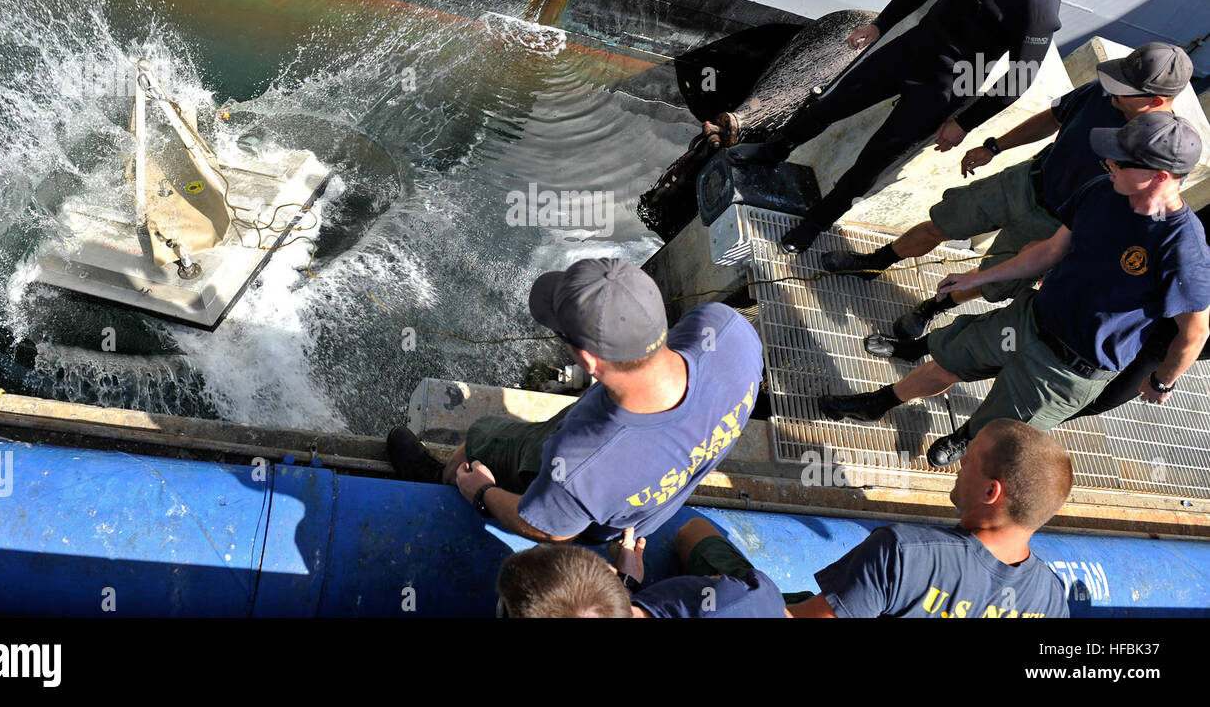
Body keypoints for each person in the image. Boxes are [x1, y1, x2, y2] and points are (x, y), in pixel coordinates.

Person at [819, 112, 1210, 467]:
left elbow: (1195, 333)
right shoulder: (1102, 189)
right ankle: (879, 403)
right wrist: (978, 278)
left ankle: (962, 438)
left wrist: (1162, 382)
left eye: (1120, 161)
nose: (1107, 163)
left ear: (1160, 176)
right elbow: (1051, 250)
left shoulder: (1183, 249)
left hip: (1066, 369)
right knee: (951, 357)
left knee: (1001, 429)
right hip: (1028, 319)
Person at [730, 0, 1061, 255]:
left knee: (874, 159)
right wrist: (880, 25)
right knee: (829, 105)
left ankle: (816, 222)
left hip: (948, 84)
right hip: (912, 49)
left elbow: (1019, 79)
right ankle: (774, 150)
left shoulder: (1038, 0)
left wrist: (964, 123)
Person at [820, 42, 1191, 341]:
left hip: (1058, 228)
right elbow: (1052, 119)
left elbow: (1137, 218)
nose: (1111, 92)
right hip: (1024, 182)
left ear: (1156, 101)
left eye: (1123, 90)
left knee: (995, 277)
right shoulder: (1101, 92)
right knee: (942, 222)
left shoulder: (1167, 150)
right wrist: (994, 146)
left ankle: (931, 308)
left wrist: (1065, 255)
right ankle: (873, 263)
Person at [386, 257, 764, 543]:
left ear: (587, 361)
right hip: (643, 509)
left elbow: (549, 530)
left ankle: (442, 479)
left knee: (485, 433)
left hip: (592, 520)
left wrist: (482, 493)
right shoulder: (728, 330)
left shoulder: (583, 461)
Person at [788, 420, 1071, 618]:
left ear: (990, 491)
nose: (961, 464)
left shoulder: (903, 554)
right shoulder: (1052, 600)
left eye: (970, 459)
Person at [1068, 201, 1210, 421]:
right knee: (1078, 384)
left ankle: (1007, 433)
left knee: (1094, 400)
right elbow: (1176, 235)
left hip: (1163, 344)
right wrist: (1162, 382)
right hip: (1142, 309)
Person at [494, 519, 789, 618]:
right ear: (609, 572)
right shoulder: (731, 600)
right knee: (693, 531)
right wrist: (625, 585)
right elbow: (770, 604)